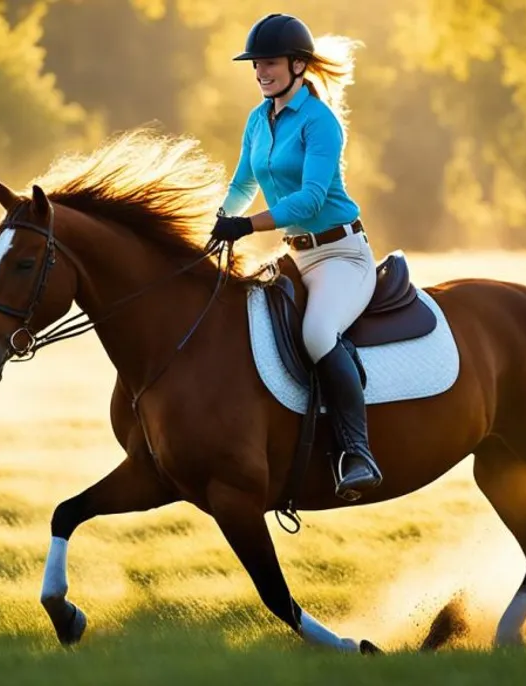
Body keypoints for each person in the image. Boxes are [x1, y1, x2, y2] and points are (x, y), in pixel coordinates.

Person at [210, 13, 381, 501]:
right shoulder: (256, 120)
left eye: (269, 63)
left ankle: (357, 451)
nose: (260, 71)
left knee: (317, 333)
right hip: (295, 256)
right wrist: (219, 222)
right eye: (255, 64)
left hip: (342, 256)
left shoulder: (320, 122)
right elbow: (244, 183)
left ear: (298, 64)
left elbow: (308, 200)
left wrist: (245, 226)